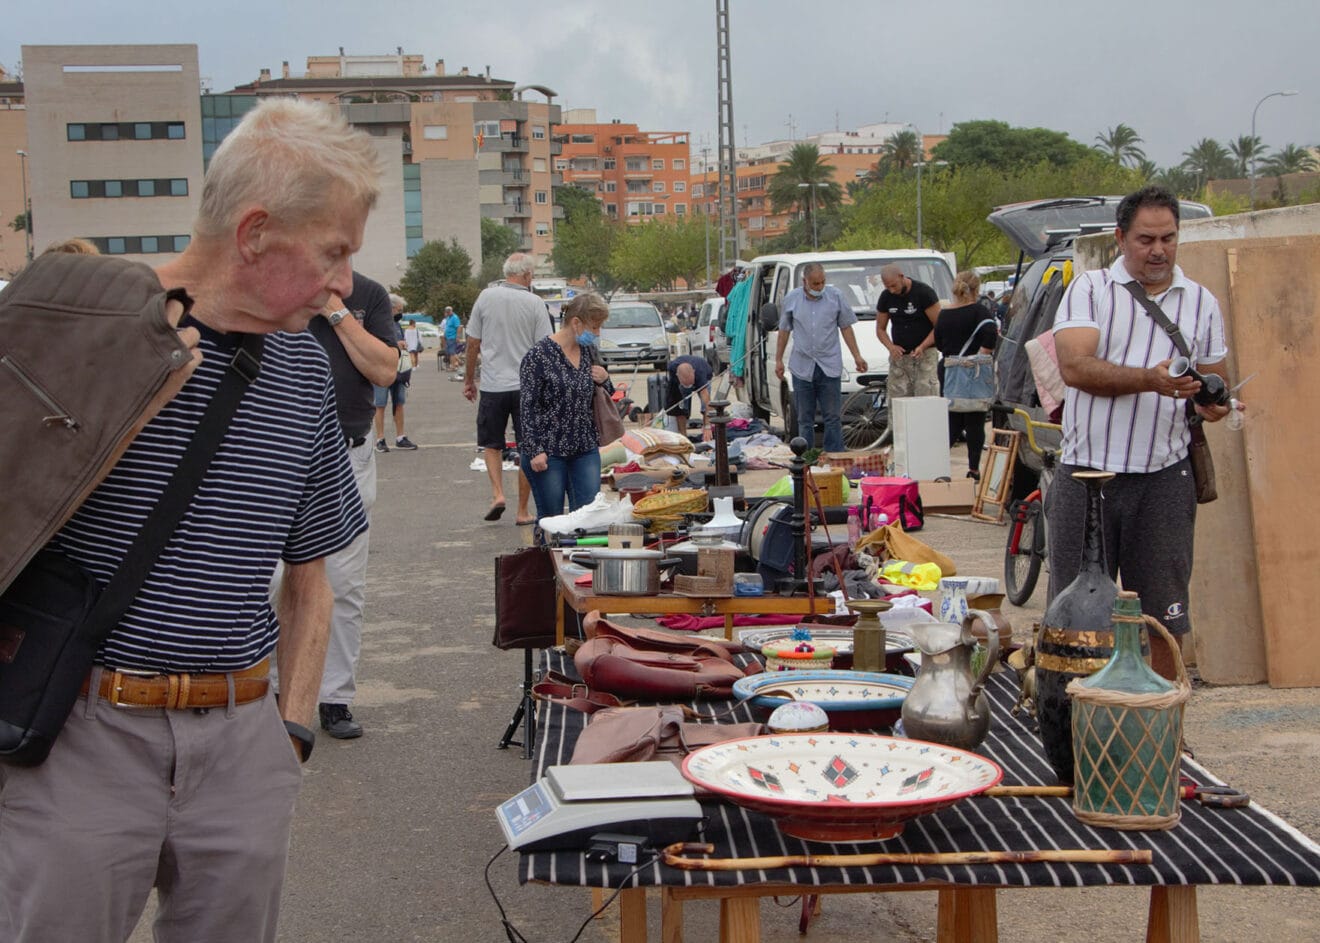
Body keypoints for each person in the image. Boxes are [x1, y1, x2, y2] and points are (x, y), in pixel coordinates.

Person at [0, 98, 380, 942]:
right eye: (335, 251)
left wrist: (291, 731)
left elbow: (313, 576)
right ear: (255, 234)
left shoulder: (306, 373)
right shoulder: (91, 332)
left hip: (244, 740)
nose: (346, 282)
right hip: (78, 736)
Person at [1048, 185, 1231, 679]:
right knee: (1076, 612)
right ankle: (1072, 722)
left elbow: (1212, 380)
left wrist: (1213, 402)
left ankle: (1164, 724)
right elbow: (1075, 367)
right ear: (1120, 238)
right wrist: (1149, 380)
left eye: (1168, 238)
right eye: (1146, 239)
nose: (1158, 250)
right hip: (1089, 477)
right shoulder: (1088, 290)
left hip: (1164, 478)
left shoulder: (1201, 301)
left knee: (1164, 616)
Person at [304, 271, 399, 739]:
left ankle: (334, 698)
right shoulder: (271, 284)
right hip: (279, 452)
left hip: (348, 451)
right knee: (270, 581)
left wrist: (336, 311)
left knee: (343, 583)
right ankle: (270, 697)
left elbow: (385, 370)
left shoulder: (367, 294)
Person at [464, 252, 552, 524]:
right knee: (527, 446)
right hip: (527, 387)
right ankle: (523, 510)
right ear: (526, 275)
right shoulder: (535, 303)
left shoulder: (485, 297)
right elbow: (545, 349)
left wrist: (469, 380)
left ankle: (497, 494)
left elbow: (472, 343)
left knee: (492, 443)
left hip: (493, 385)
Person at [518, 292, 611, 519]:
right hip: (549, 452)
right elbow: (527, 407)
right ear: (576, 323)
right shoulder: (538, 356)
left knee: (588, 516)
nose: (597, 333)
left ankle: (580, 556)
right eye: (595, 327)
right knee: (553, 519)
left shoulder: (589, 352)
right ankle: (545, 555)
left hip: (584, 447)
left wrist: (605, 379)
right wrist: (535, 450)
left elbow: (604, 394)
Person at [773, 261, 868, 451]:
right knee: (804, 418)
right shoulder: (792, 299)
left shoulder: (836, 297)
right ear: (804, 282)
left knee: (832, 416)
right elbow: (784, 331)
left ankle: (834, 455)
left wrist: (857, 356)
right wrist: (778, 359)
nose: (819, 287)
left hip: (829, 365)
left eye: (822, 282)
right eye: (815, 283)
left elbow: (846, 328)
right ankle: (806, 458)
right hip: (802, 367)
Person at [934, 270, 999, 480]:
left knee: (952, 419)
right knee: (975, 420)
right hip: (974, 371)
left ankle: (940, 466)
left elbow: (940, 342)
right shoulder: (979, 312)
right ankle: (973, 469)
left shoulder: (944, 314)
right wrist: (979, 356)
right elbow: (990, 335)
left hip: (950, 369)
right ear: (977, 289)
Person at [876, 263, 942, 399]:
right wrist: (891, 347)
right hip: (900, 357)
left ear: (901, 277)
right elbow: (880, 329)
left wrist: (923, 346)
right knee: (898, 401)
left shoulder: (924, 293)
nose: (892, 290)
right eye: (887, 287)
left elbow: (939, 325)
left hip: (925, 355)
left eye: (894, 286)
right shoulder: (886, 297)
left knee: (926, 397)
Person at [372, 293, 418, 452]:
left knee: (399, 403)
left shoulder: (397, 325)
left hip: (399, 370)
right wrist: (395, 344)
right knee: (380, 404)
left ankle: (400, 437)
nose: (400, 313)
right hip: (382, 369)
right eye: (399, 309)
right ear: (391, 308)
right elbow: (374, 344)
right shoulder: (377, 323)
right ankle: (380, 439)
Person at [665, 354, 713, 440]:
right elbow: (677, 404)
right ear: (677, 375)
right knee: (680, 407)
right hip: (680, 381)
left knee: (705, 406)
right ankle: (684, 436)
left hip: (704, 373)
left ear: (693, 372)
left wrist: (707, 427)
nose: (690, 386)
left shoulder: (700, 374)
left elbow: (707, 403)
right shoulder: (672, 368)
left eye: (691, 383)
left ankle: (706, 432)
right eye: (686, 384)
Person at [440, 305, 463, 371]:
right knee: (450, 352)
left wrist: (458, 336)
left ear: (451, 311)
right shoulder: (448, 318)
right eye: (446, 312)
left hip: (452, 337)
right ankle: (458, 362)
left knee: (452, 353)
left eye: (448, 312)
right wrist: (444, 334)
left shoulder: (455, 318)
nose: (447, 313)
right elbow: (447, 327)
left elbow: (458, 327)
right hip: (448, 337)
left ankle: (453, 366)